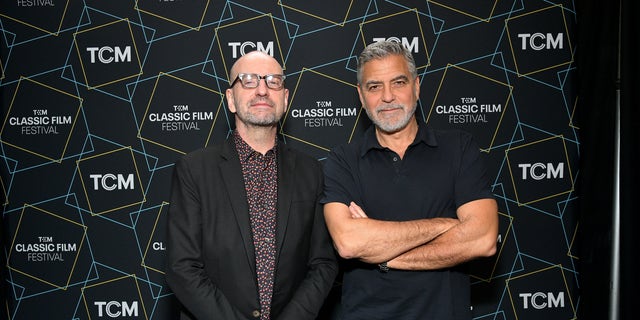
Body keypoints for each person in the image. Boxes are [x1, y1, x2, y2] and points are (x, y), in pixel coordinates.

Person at [321, 41, 499, 319]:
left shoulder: (459, 148)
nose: (388, 96)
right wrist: (444, 225)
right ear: (361, 94)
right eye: (374, 86)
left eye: (399, 82)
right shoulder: (343, 160)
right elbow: (349, 243)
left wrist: (383, 255)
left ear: (416, 86)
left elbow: (483, 239)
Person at [166, 50, 338, 320]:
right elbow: (182, 267)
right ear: (231, 99)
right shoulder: (194, 170)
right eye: (248, 80)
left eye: (273, 81)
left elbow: (323, 264)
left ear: (285, 98)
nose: (261, 90)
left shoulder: (312, 171)